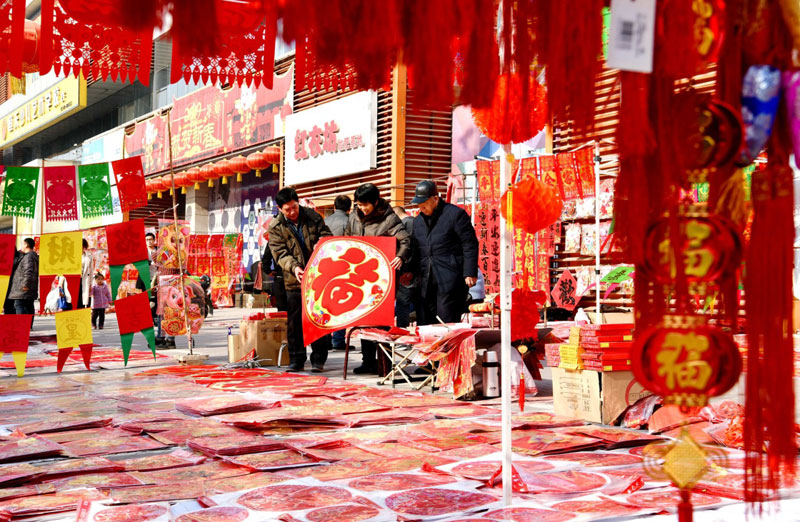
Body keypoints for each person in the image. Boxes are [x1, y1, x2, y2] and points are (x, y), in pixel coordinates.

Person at [345, 183, 411, 374]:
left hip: (381, 278)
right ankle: (367, 361)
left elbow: (406, 240)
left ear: (375, 201)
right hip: (359, 276)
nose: (362, 208)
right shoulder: (354, 217)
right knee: (364, 319)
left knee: (381, 320)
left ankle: (384, 363)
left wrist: (400, 256)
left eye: (366, 204)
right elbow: (348, 237)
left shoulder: (389, 218)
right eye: (359, 204)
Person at [268, 188, 333, 372]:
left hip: (318, 277)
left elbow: (327, 236)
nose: (292, 212)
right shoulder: (275, 227)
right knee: (295, 322)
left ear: (298, 203)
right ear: (280, 209)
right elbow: (280, 254)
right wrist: (295, 267)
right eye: (287, 209)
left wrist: (323, 242)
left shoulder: (313, 216)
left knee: (318, 318)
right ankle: (296, 359)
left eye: (294, 207)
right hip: (293, 279)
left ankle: (318, 359)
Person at [411, 180, 479, 324]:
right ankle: (428, 347)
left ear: (435, 198)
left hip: (450, 275)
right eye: (419, 204)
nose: (421, 207)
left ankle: (448, 346)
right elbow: (415, 248)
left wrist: (470, 272)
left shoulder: (455, 214)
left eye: (424, 203)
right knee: (425, 319)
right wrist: (409, 271)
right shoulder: (417, 222)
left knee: (447, 319)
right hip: (425, 277)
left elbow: (469, 243)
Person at [324, 194, 352, 350]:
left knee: (326, 303)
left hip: (326, 266)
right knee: (341, 303)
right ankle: (339, 340)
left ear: (334, 207)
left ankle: (326, 339)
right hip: (344, 267)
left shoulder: (325, 221)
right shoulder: (350, 221)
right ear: (349, 208)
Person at [393, 206, 417, 328]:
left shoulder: (404, 224)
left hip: (407, 270)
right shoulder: (416, 222)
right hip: (418, 270)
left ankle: (402, 330)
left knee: (403, 303)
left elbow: (408, 248)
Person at [9, 238, 38, 325]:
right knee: (29, 306)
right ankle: (28, 326)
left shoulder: (28, 257)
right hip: (29, 287)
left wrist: (25, 285)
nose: (21, 246)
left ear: (26, 245)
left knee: (19, 305)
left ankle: (21, 326)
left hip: (23, 288)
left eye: (22, 244)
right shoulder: (32, 256)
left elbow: (28, 272)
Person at [3, 248, 22, 315]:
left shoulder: (17, 258)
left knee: (10, 307)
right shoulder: (20, 256)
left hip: (12, 286)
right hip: (10, 285)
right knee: (9, 307)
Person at [78, 239, 94, 308]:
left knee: (84, 297)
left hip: (85, 278)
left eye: (83, 246)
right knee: (77, 297)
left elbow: (91, 271)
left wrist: (91, 284)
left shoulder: (88, 256)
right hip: (76, 279)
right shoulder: (73, 255)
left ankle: (83, 313)